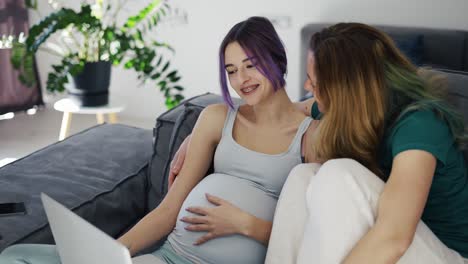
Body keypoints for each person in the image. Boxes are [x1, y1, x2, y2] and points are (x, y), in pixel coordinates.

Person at [0, 17, 314, 264]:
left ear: (277, 58)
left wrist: (246, 224)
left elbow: (313, 241)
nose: (241, 80)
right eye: (231, 70)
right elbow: (169, 210)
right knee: (15, 256)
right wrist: (115, 254)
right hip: (169, 257)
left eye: (251, 64)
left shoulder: (310, 136)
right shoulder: (218, 118)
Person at [170, 23, 468, 264]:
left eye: (314, 81)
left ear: (344, 87)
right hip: (398, 244)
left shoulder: (419, 125)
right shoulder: (348, 106)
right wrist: (203, 130)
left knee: (338, 173)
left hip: (443, 255)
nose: (307, 88)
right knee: (304, 176)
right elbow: (281, 109)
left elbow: (394, 238)